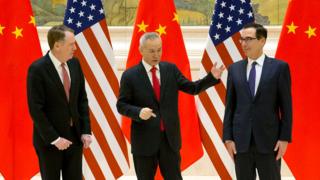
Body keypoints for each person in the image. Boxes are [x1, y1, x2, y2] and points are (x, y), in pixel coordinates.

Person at [117, 32, 225, 180]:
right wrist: (138, 112)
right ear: (141, 50)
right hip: (144, 142)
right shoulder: (130, 75)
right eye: (152, 51)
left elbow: (192, 88)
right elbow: (121, 105)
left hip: (169, 141)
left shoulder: (170, 69)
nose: (156, 55)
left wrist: (211, 77)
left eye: (159, 50)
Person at [223, 23, 292, 180]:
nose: (244, 43)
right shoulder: (234, 69)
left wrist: (284, 138)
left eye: (249, 39)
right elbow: (230, 107)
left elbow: (286, 107)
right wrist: (228, 137)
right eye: (242, 39)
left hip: (270, 142)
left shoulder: (279, 68)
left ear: (262, 41)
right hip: (241, 142)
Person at [27, 25, 92, 180]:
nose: (75, 48)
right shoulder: (37, 69)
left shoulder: (75, 64)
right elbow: (36, 109)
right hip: (49, 141)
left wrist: (86, 130)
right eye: (71, 44)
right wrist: (54, 139)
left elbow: (82, 100)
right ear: (57, 45)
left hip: (75, 138)